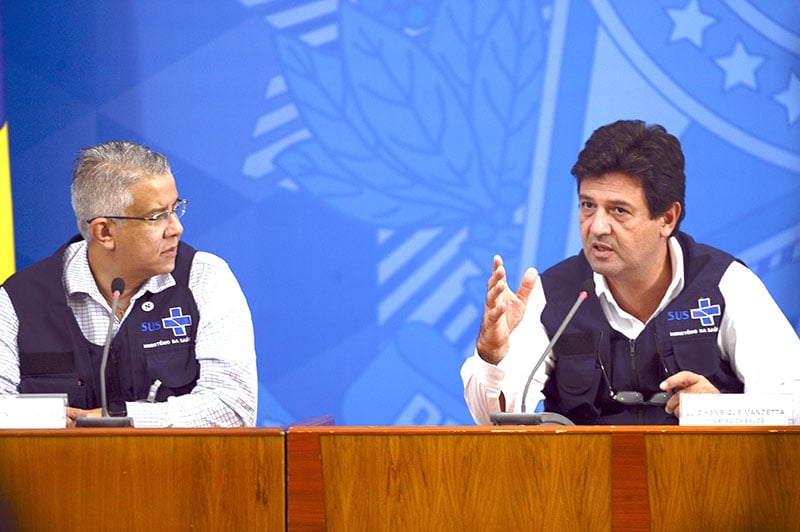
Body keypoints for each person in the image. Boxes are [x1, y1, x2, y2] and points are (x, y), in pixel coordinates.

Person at [461, 119, 800, 425]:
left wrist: (719, 409)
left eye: (618, 211)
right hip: (583, 487)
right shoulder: (554, 295)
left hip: (704, 484)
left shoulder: (725, 285)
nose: (597, 227)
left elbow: (792, 402)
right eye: (588, 205)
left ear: (667, 218)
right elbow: (494, 422)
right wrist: (492, 355)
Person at [0, 141, 258, 427]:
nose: (176, 229)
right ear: (105, 231)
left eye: (175, 209)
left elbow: (233, 406)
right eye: (157, 217)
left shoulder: (205, 277)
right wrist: (54, 420)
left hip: (178, 470)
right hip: (59, 470)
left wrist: (117, 419)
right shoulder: (18, 299)